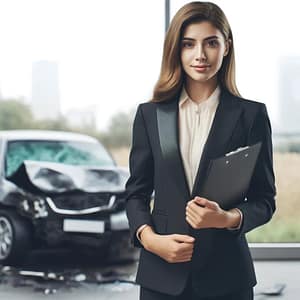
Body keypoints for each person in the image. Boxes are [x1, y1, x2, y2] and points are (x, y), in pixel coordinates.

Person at [125, 2, 276, 300]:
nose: (200, 55)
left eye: (211, 43)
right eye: (188, 44)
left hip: (227, 278)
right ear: (176, 50)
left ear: (227, 47)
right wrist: (150, 239)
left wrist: (228, 218)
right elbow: (135, 193)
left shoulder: (252, 116)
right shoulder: (149, 115)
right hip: (161, 277)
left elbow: (264, 200)